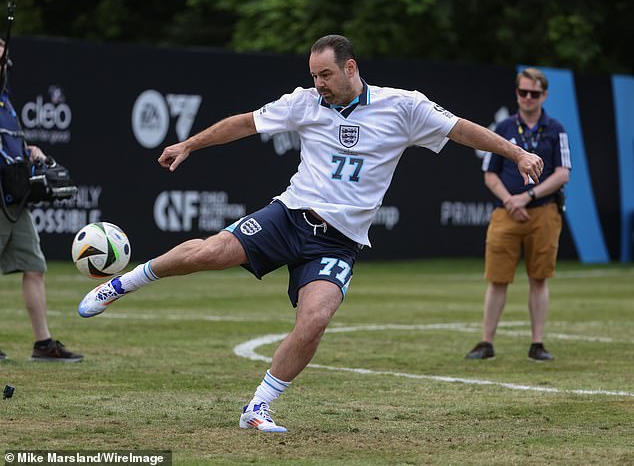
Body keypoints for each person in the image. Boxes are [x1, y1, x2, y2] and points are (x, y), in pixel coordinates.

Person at [78, 35, 543, 432]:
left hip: (338, 241)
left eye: (325, 75)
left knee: (315, 319)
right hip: (289, 215)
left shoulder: (404, 106)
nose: (317, 84)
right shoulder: (305, 102)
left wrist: (517, 154)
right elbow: (244, 123)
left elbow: (463, 132)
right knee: (209, 252)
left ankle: (257, 407)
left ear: (350, 68)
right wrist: (189, 144)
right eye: (314, 75)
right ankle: (121, 283)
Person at [466, 67, 571, 362]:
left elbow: (563, 173)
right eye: (523, 92)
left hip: (543, 211)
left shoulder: (556, 129)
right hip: (506, 212)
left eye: (534, 93)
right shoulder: (503, 128)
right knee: (497, 278)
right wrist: (511, 201)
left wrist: (529, 196)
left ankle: (537, 343)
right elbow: (489, 174)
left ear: (544, 96)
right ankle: (486, 341)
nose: (528, 98)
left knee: (540, 277)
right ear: (517, 93)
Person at [0, 38, 83, 362]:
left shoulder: (5, 101)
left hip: (13, 199)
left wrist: (29, 152)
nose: (4, 68)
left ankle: (43, 344)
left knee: (34, 267)